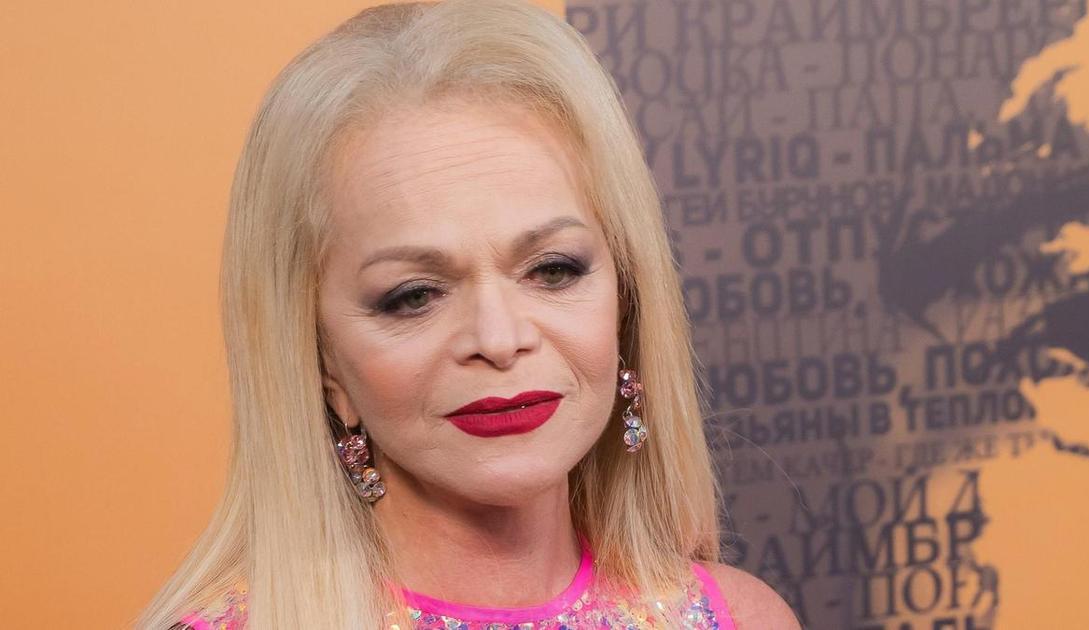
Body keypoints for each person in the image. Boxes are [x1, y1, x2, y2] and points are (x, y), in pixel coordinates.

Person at [135, 0, 800, 628]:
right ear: (320, 356)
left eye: (553, 269)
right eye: (414, 296)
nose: (499, 340)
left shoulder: (741, 618)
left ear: (626, 301)